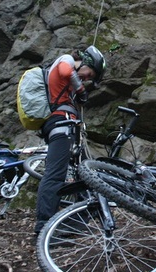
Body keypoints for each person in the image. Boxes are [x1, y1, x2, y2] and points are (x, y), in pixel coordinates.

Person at [34, 45, 106, 235]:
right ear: (86, 62)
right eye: (89, 73)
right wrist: (81, 90)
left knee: (84, 173)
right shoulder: (65, 60)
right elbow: (67, 71)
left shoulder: (67, 83)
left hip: (66, 127)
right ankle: (43, 228)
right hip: (60, 127)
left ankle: (75, 223)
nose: (87, 78)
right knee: (55, 175)